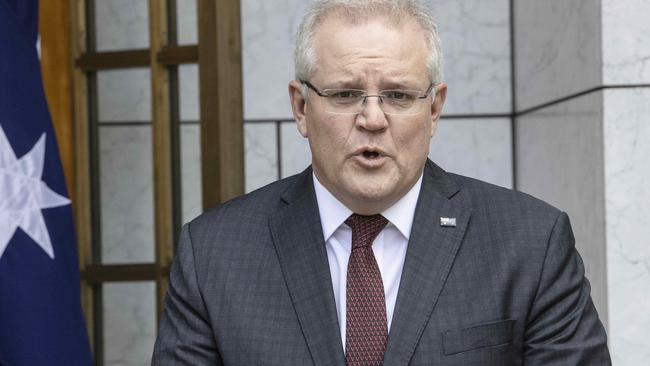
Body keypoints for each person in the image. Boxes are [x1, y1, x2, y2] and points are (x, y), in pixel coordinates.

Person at [152, 1, 611, 365]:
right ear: (300, 108)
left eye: (398, 95)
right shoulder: (214, 255)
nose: (372, 118)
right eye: (345, 93)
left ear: (433, 110)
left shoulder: (530, 243)